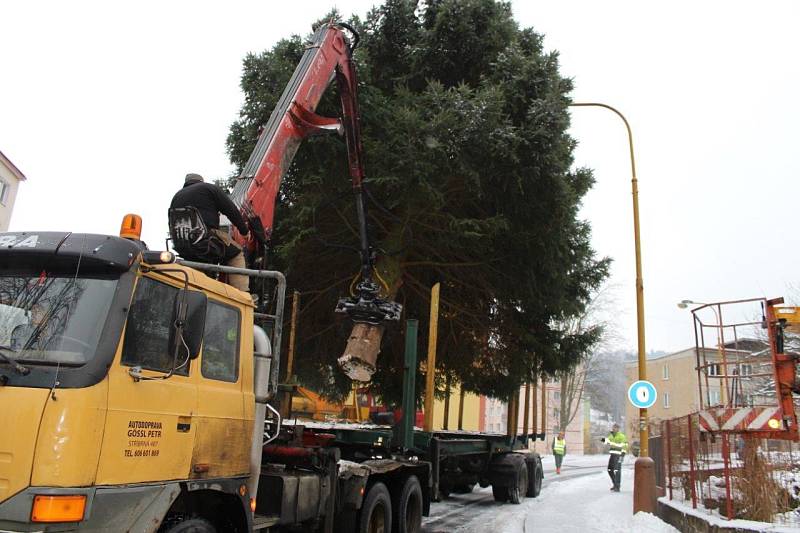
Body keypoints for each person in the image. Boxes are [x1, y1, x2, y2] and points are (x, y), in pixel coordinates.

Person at [170, 173, 250, 293]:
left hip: (183, 245)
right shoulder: (209, 188)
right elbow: (231, 210)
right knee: (236, 254)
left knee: (198, 272)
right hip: (206, 238)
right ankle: (243, 294)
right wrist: (244, 231)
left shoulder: (176, 197)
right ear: (201, 181)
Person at [601, 423, 628, 492]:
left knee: (617, 470)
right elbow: (607, 441)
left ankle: (617, 486)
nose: (614, 429)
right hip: (612, 455)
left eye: (615, 428)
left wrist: (622, 455)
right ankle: (615, 484)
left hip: (619, 455)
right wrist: (602, 439)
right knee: (610, 469)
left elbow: (624, 446)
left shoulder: (622, 436)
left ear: (618, 429)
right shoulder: (611, 436)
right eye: (613, 427)